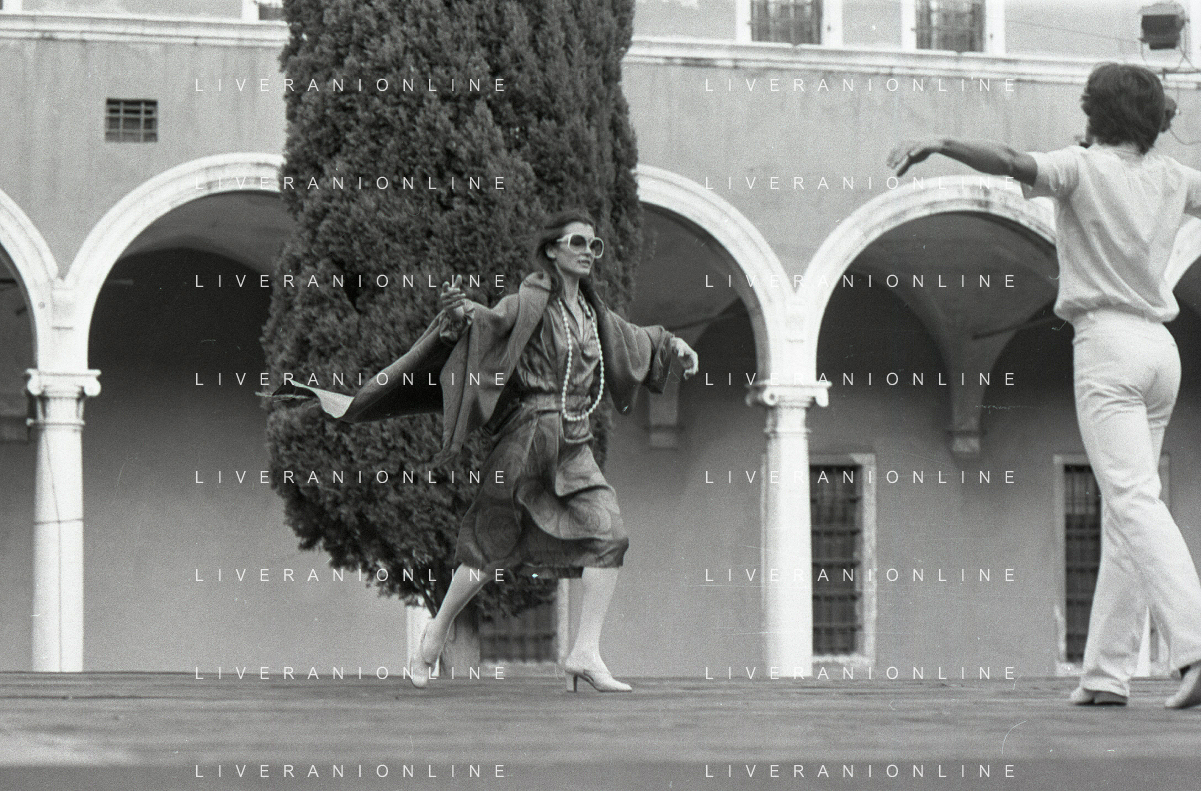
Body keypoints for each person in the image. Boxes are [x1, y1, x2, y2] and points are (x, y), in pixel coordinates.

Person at [277, 210, 698, 693]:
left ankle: (584, 652)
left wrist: (674, 345)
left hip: (574, 441)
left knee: (610, 535)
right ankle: (436, 631)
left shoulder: (592, 312)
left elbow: (632, 339)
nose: (589, 252)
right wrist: (459, 316)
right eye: (579, 243)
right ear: (552, 251)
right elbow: (489, 324)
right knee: (489, 546)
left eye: (595, 245)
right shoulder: (527, 303)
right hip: (526, 437)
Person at [887, 62, 1201, 709]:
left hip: (1108, 346)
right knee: (1127, 508)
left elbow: (1008, 161)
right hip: (1159, 350)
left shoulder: (1078, 168)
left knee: (1134, 502)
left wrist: (941, 142)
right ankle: (1105, 673)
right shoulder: (1174, 177)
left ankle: (1194, 645)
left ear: (1094, 113)